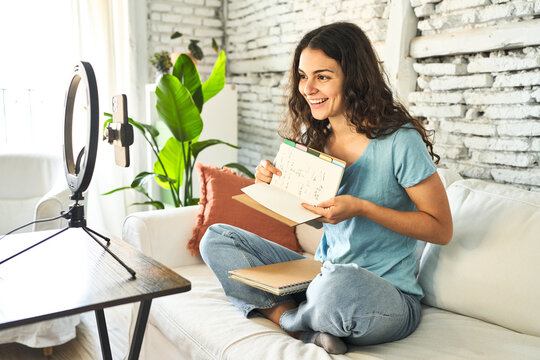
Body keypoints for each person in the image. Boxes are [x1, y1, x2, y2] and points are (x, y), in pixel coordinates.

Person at [199, 22, 452, 355]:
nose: (308, 88)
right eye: (303, 76)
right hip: (318, 276)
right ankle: (300, 322)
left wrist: (363, 207)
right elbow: (317, 219)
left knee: (336, 287)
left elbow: (441, 229)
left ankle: (292, 318)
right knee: (217, 238)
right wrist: (275, 188)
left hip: (382, 293)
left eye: (322, 76)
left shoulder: (399, 141)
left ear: (354, 77)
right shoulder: (318, 138)